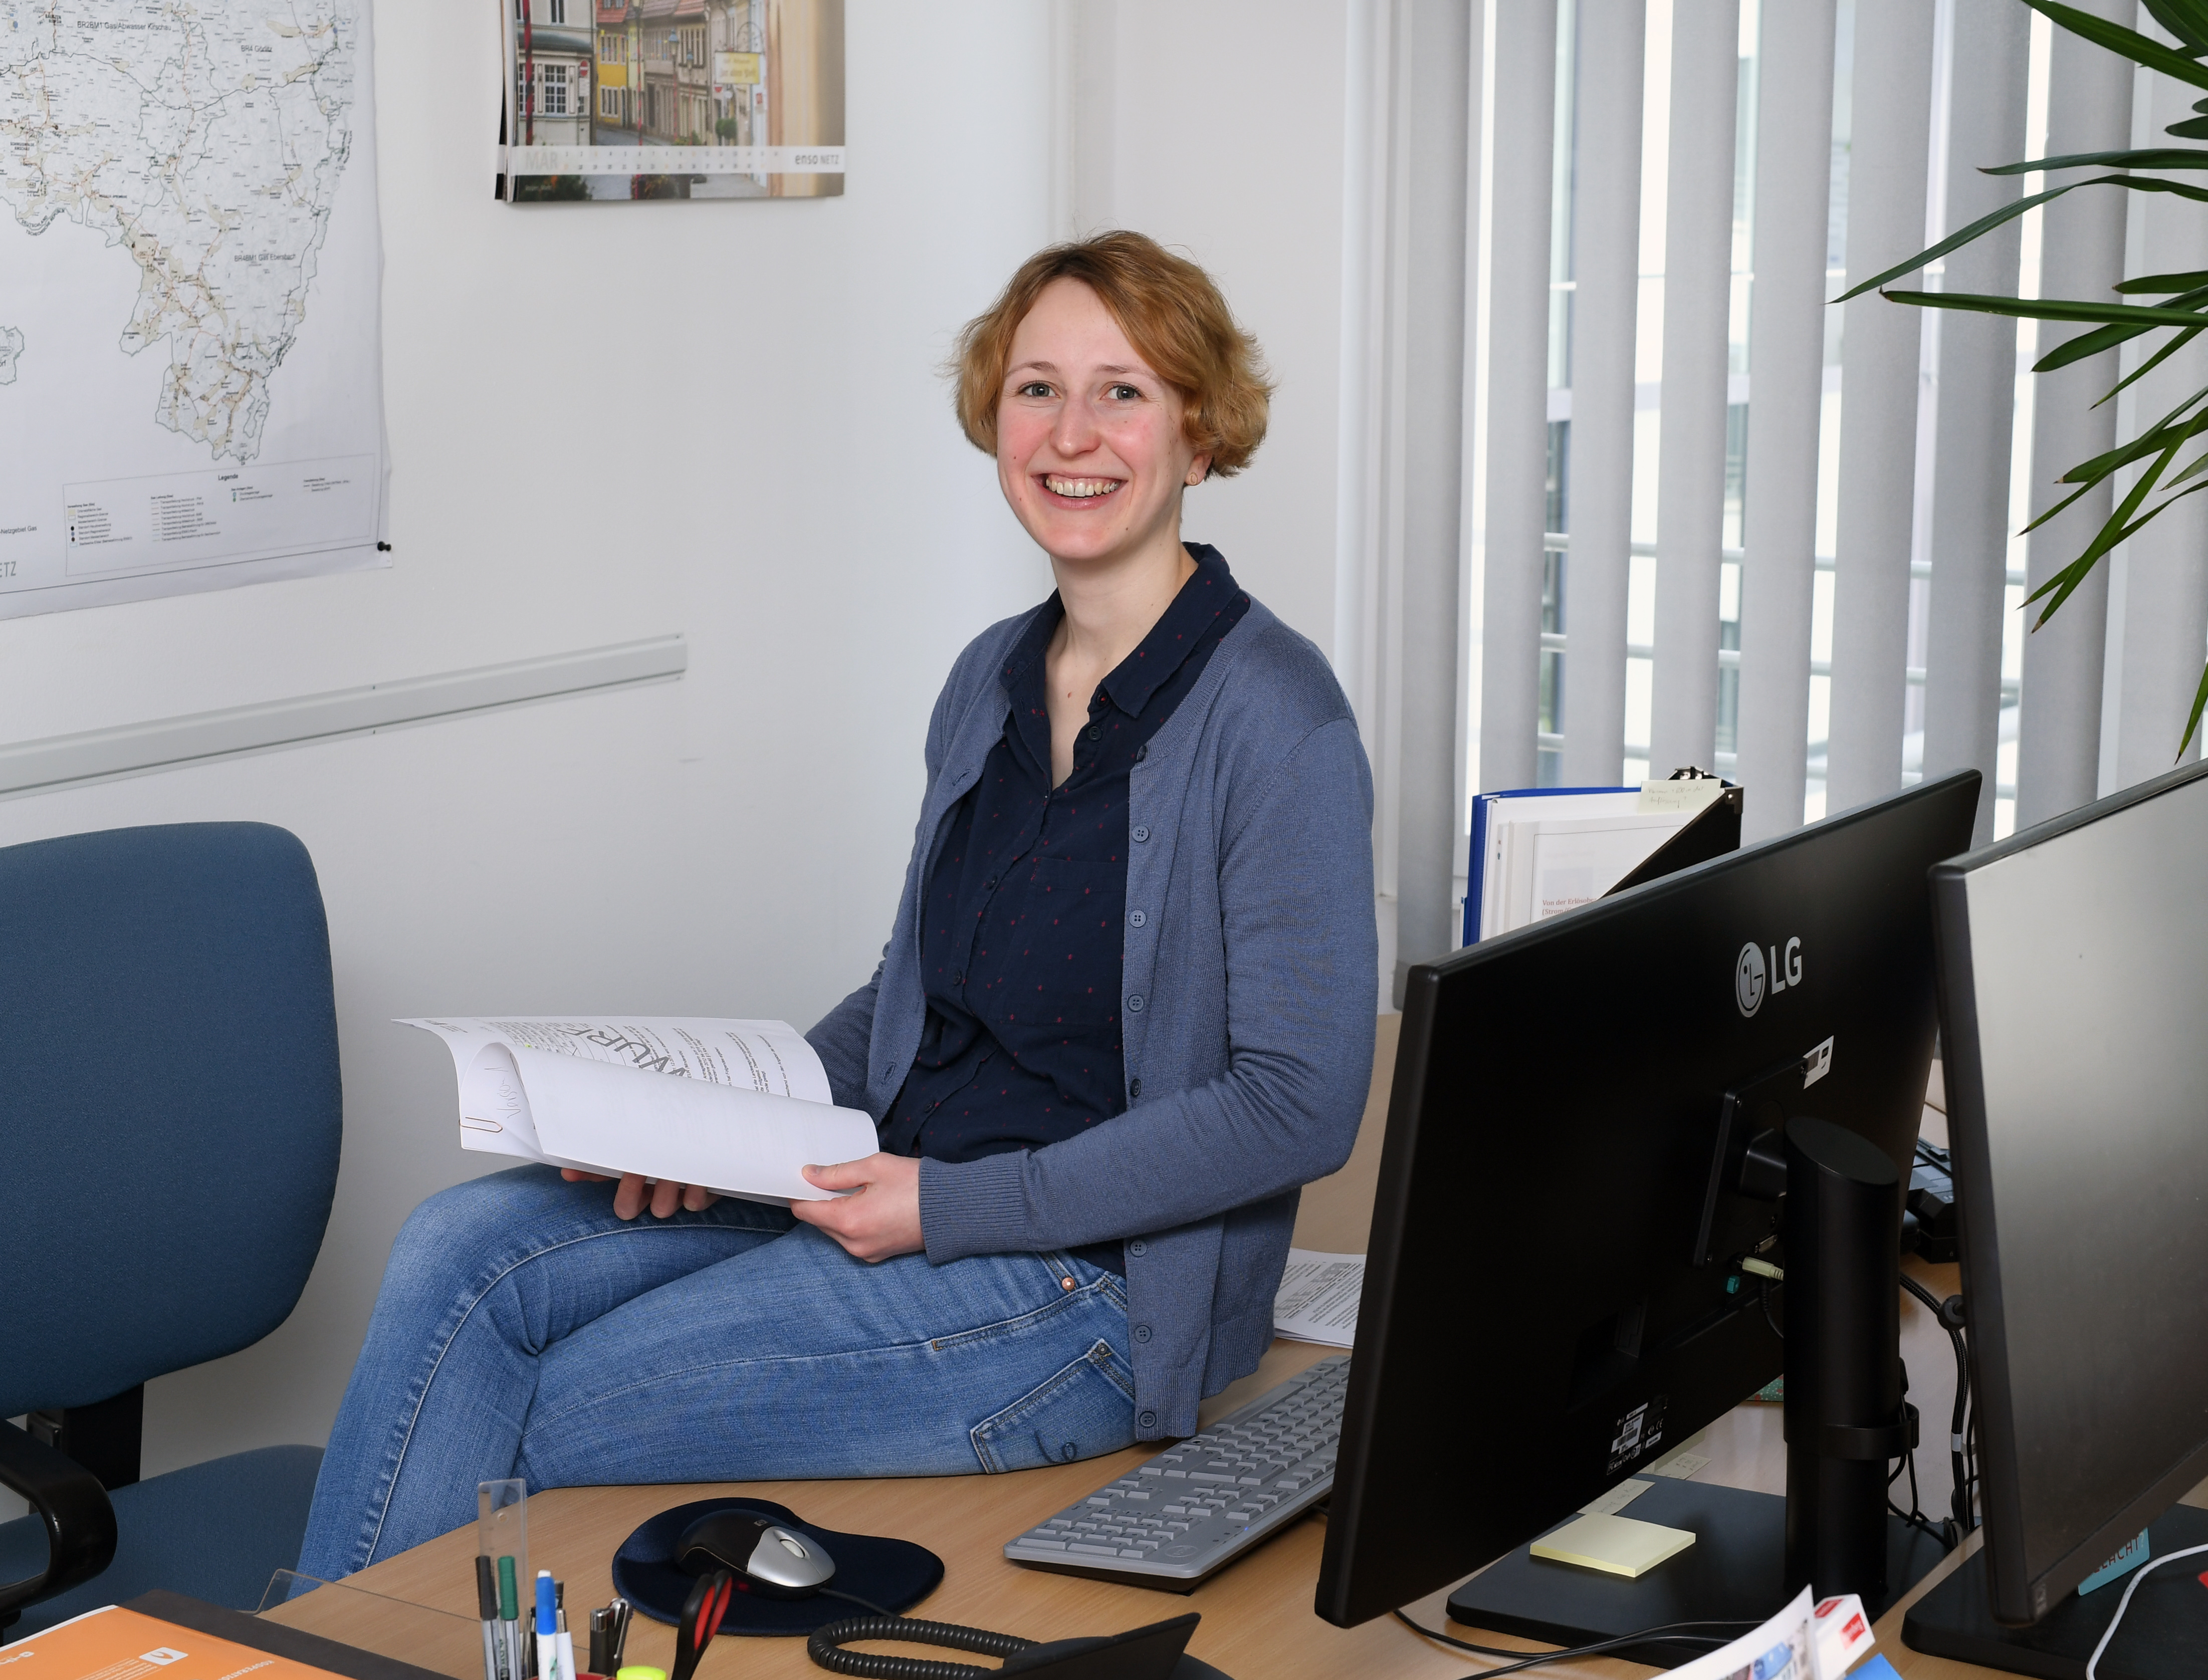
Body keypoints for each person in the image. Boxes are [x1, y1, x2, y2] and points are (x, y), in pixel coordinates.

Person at [296, 231, 1377, 1581]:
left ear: (1201, 434)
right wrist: (717, 1129)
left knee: (547, 1393)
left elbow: (1299, 1103)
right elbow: (911, 998)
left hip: (1081, 1294)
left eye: (1125, 390)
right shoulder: (991, 677)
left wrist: (956, 1204)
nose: (1072, 432)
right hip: (880, 1176)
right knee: (456, 1242)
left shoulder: (1279, 717)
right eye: (1037, 388)